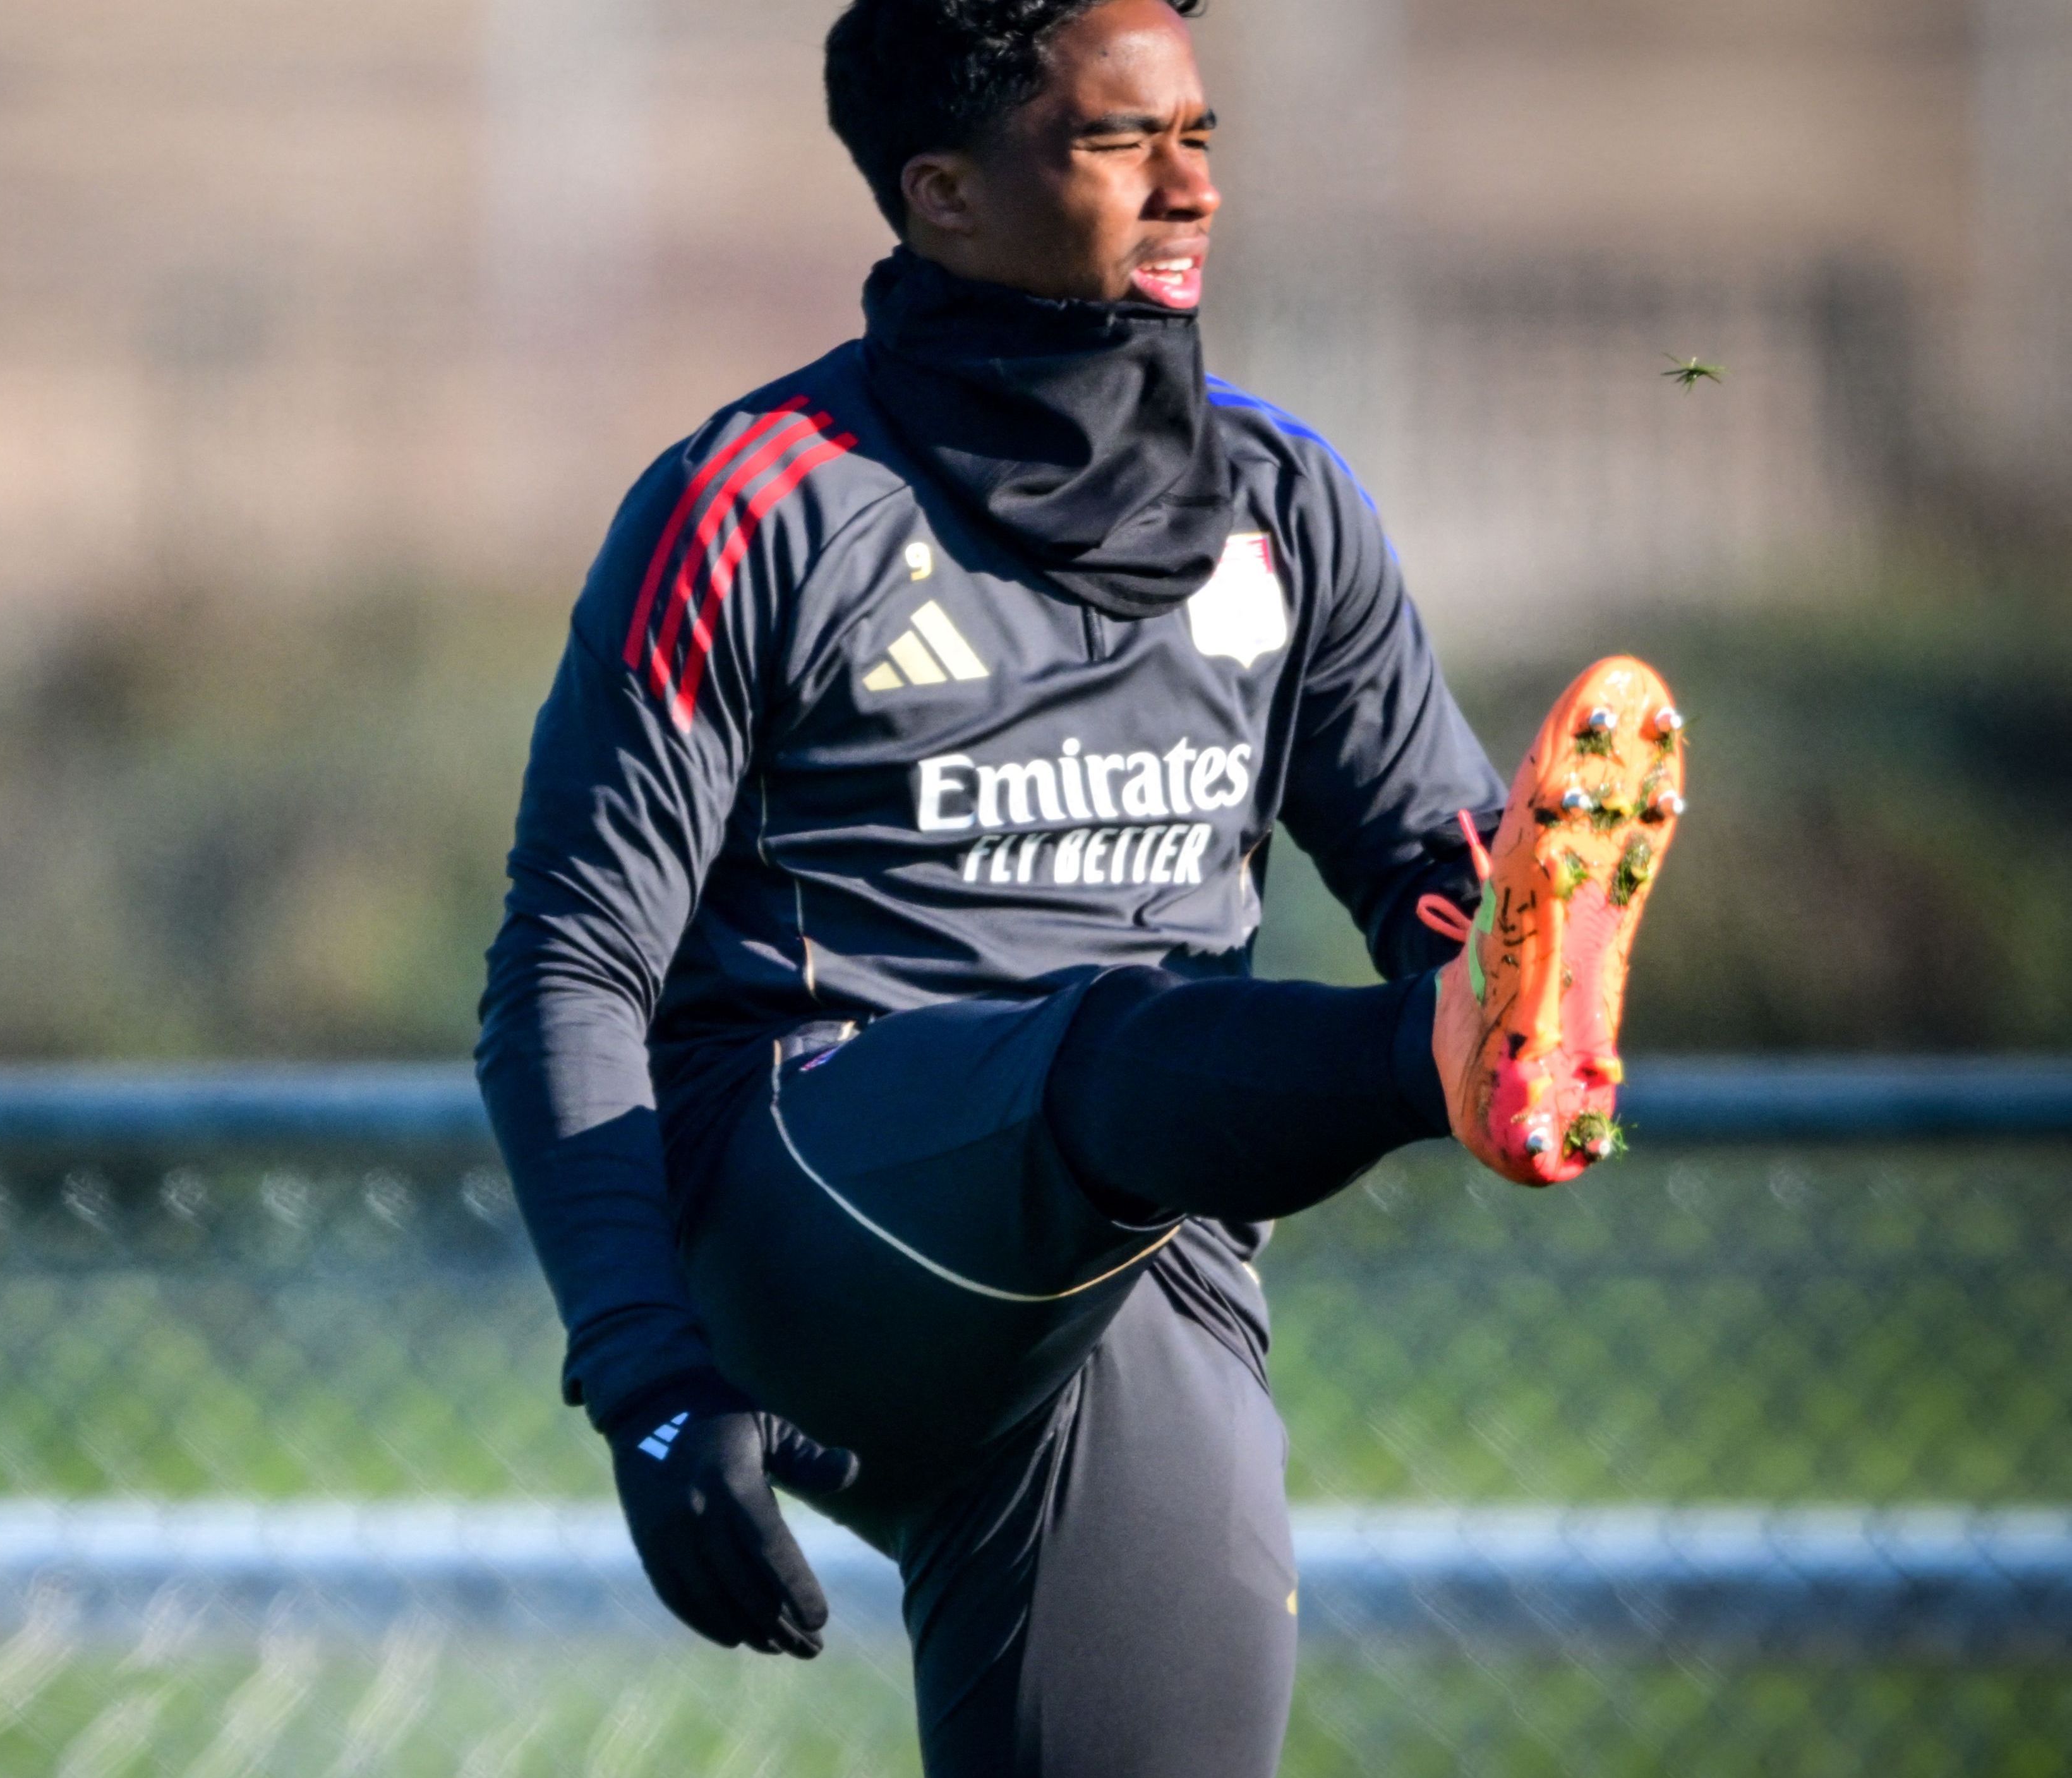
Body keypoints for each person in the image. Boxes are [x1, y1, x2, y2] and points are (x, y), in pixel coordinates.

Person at [471, 1, 1690, 1772]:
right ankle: (1428, 1061)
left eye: (1199, 134)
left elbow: (1437, 879)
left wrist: (1479, 918)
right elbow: (568, 969)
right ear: (944, 193)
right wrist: (646, 1382)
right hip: (806, 1212)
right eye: (1120, 141)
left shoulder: (1283, 501)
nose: (1190, 185)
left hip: (1134, 1259)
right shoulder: (756, 505)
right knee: (1112, 1043)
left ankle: (1438, 1046)